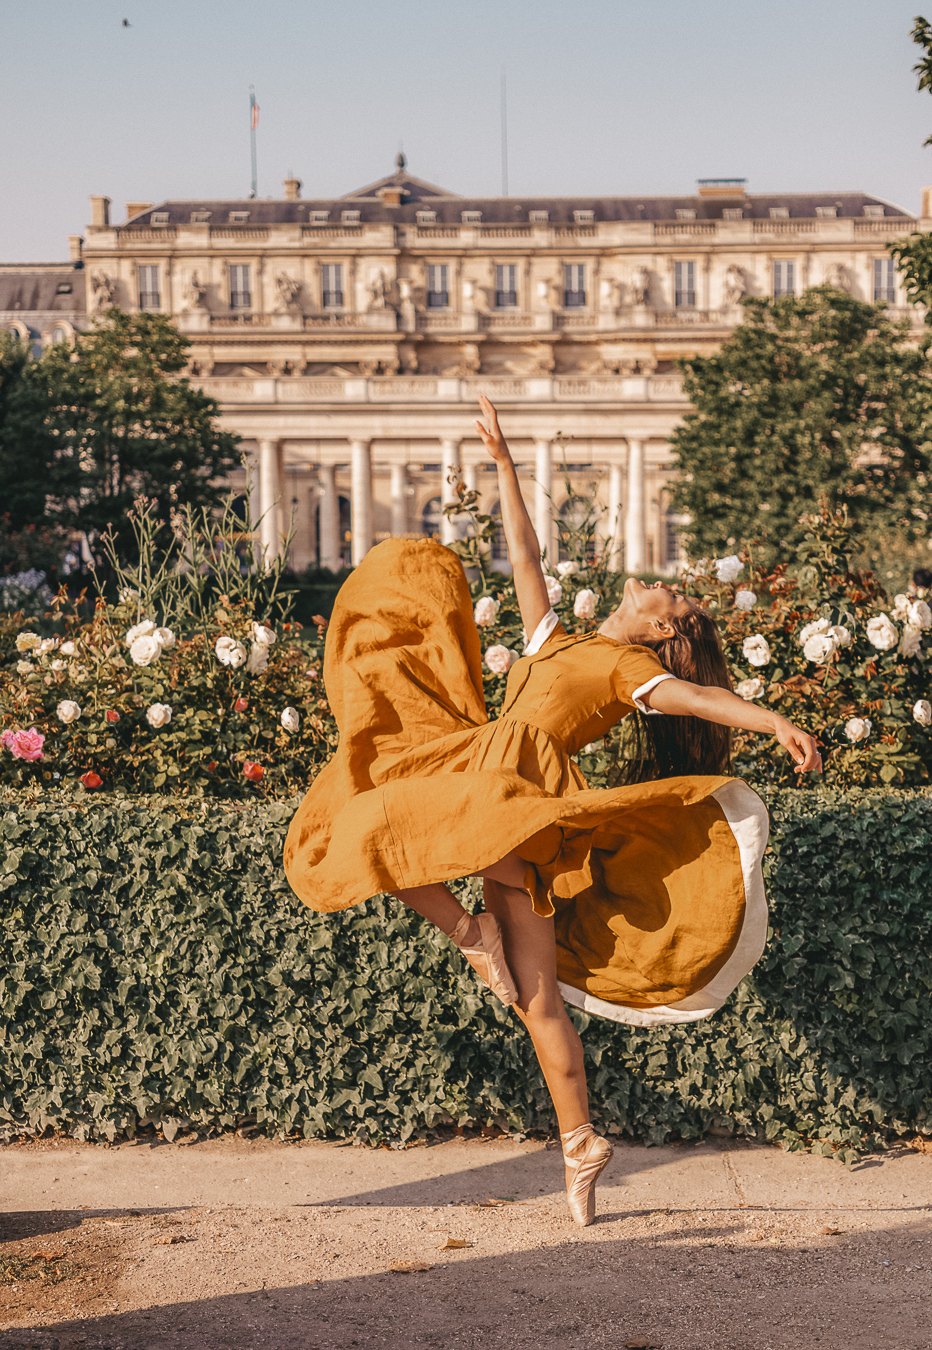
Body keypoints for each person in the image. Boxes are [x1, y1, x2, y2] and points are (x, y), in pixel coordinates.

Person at [284, 396, 821, 1227]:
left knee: (375, 831)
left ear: (656, 631)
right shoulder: (556, 639)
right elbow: (527, 556)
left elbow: (700, 697)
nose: (658, 583)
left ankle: (474, 941)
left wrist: (771, 719)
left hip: (517, 798)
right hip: (488, 782)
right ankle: (580, 1141)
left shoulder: (623, 670)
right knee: (528, 993)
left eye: (668, 597)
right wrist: (502, 463)